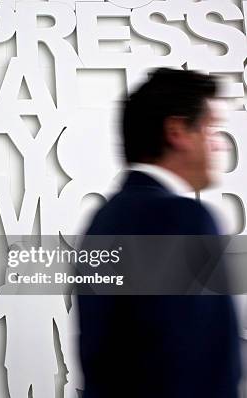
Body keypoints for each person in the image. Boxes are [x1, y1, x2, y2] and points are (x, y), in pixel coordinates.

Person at [78, 68, 241, 398]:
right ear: (177, 131)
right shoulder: (183, 219)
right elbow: (203, 365)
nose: (219, 144)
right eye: (211, 128)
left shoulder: (102, 221)